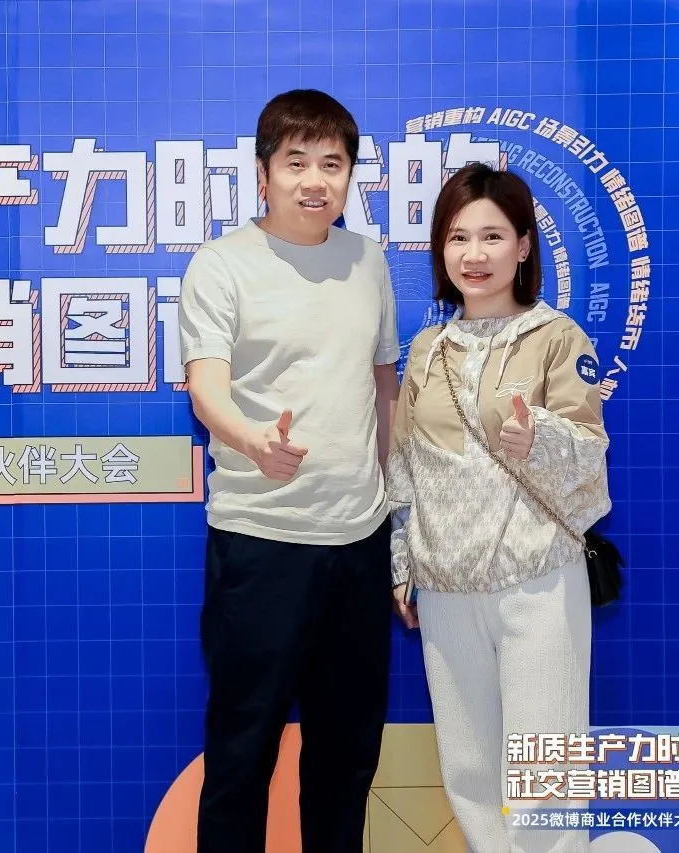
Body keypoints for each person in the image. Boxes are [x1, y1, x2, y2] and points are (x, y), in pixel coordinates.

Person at [177, 88, 401, 853]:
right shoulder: (221, 265)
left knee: (347, 754)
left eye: (332, 164)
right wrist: (252, 440)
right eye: (296, 162)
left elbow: (384, 386)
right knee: (243, 753)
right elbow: (205, 388)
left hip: (359, 545)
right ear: (263, 173)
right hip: (262, 541)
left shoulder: (368, 261)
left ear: (350, 175)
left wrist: (397, 510)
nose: (315, 180)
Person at [385, 161, 611, 853]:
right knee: (470, 768)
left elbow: (591, 453)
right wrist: (402, 564)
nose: (474, 255)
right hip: (445, 585)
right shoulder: (427, 350)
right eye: (458, 238)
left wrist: (536, 437)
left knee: (547, 765)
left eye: (492, 236)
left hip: (536, 579)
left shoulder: (557, 338)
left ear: (523, 246)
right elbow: (404, 467)